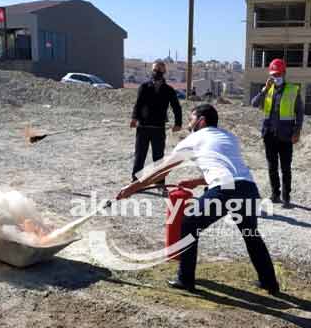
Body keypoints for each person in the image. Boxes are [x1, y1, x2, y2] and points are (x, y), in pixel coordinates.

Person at [116, 104, 280, 295]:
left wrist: (132, 188)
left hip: (226, 188)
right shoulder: (228, 137)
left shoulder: (194, 138)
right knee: (251, 234)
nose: (188, 123)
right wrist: (196, 181)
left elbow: (161, 169)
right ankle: (270, 282)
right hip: (248, 188)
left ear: (201, 120)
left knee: (189, 223)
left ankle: (185, 279)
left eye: (191, 118)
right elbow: (228, 167)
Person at [250, 58, 303, 208]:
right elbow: (254, 103)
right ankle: (275, 194)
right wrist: (264, 89)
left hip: (286, 136)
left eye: (279, 74)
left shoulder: (293, 90)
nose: (276, 77)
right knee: (272, 166)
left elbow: (299, 113)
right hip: (269, 135)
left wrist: (297, 131)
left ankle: (286, 197)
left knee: (285, 167)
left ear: (284, 73)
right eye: (273, 74)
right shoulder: (268, 90)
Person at [130, 60, 182, 185]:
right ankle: (135, 181)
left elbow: (176, 107)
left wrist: (178, 123)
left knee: (158, 157)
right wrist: (134, 118)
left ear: (164, 71)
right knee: (140, 155)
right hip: (143, 126)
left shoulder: (169, 90)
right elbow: (138, 104)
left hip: (159, 128)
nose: (156, 72)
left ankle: (159, 182)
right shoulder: (144, 87)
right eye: (154, 69)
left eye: (159, 70)